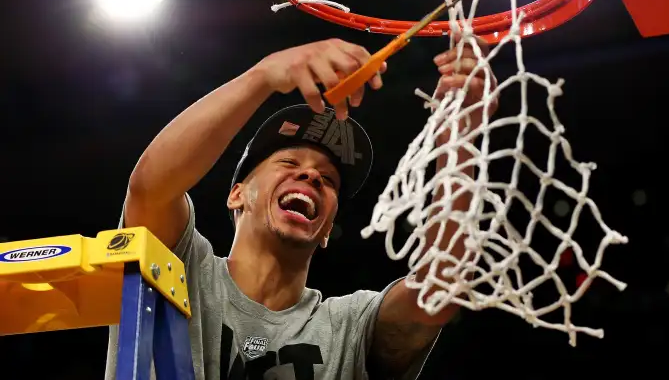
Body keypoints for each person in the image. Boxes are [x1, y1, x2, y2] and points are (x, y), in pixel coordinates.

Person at [104, 36, 497, 380]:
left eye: (327, 180)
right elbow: (150, 189)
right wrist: (264, 75)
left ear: (327, 229)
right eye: (290, 164)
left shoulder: (348, 328)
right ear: (237, 194)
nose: (311, 177)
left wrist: (463, 137)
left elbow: (438, 287)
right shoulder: (182, 268)